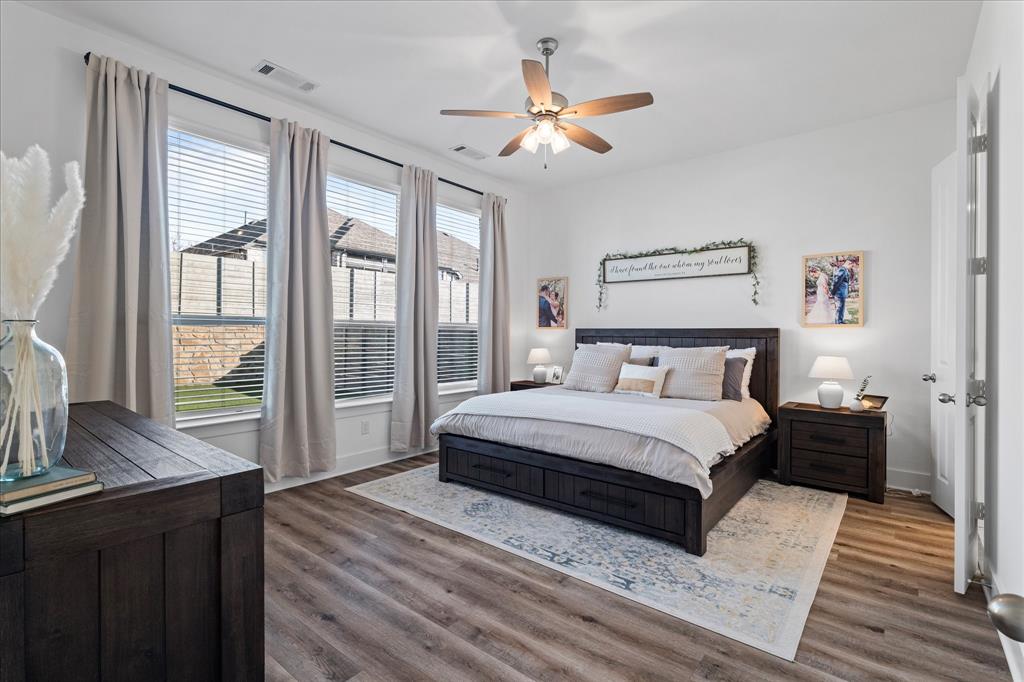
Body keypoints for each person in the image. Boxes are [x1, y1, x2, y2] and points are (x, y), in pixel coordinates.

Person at [831, 258, 853, 324]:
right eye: (851, 266)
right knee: (839, 308)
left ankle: (840, 321)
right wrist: (833, 292)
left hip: (842, 293)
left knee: (841, 308)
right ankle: (838, 322)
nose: (851, 267)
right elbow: (837, 281)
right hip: (839, 293)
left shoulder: (844, 270)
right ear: (849, 264)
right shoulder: (842, 269)